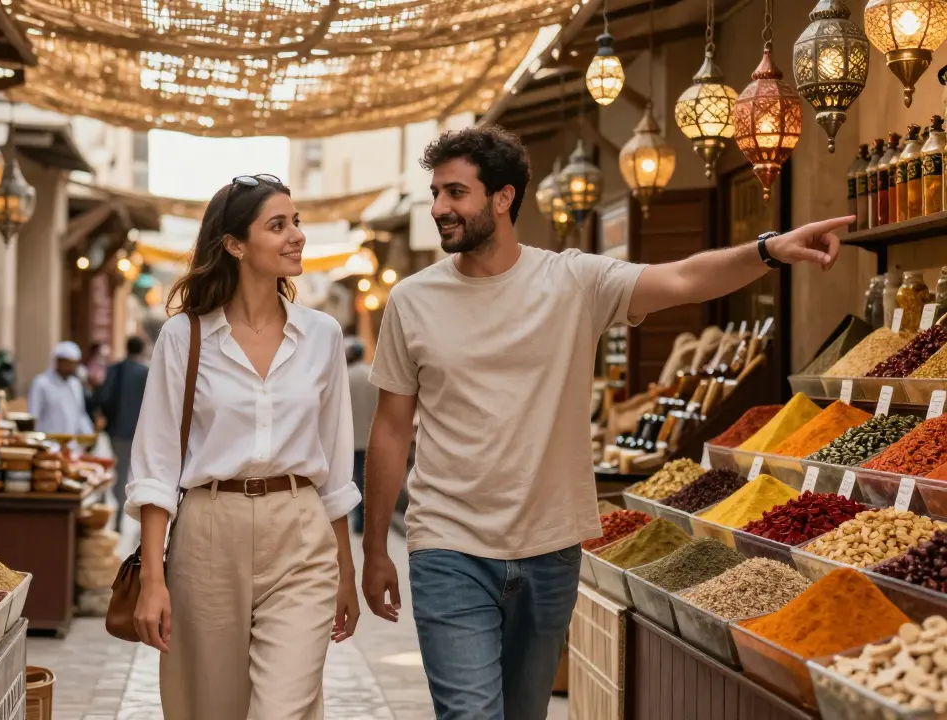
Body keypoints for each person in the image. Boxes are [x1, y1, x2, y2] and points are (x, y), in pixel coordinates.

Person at [359, 125, 851, 720]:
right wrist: (376, 550)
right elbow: (389, 428)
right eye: (436, 193)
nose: (439, 208)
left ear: (502, 198)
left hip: (550, 547)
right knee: (470, 715)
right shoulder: (412, 301)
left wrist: (768, 249)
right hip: (448, 547)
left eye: (455, 193)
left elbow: (687, 278)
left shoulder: (573, 280)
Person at [125, 174, 362, 719]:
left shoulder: (322, 335)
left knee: (284, 708)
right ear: (234, 244)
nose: (296, 235)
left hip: (301, 533)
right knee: (212, 707)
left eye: (296, 222)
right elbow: (157, 466)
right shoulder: (184, 337)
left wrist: (345, 571)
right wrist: (153, 581)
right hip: (209, 532)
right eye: (277, 226)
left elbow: (334, 467)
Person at [97, 336, 150, 530]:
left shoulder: (115, 369)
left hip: (116, 430)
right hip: (137, 430)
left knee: (119, 471)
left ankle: (118, 515)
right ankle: (125, 517)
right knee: (132, 473)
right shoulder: (145, 372)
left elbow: (104, 397)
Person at [28, 341, 95, 437]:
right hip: (48, 442)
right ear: (59, 362)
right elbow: (34, 415)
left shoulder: (75, 384)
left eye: (74, 364)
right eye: (69, 363)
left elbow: (80, 414)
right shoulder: (41, 383)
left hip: (71, 444)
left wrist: (89, 434)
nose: (72, 367)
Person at [346, 337, 377, 534]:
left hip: (352, 438)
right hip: (372, 437)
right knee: (371, 480)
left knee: (356, 481)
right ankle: (370, 521)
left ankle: (359, 521)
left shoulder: (345, 376)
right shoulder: (372, 374)